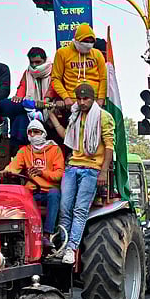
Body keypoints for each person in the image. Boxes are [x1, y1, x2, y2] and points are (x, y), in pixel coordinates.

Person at [58, 84, 115, 264]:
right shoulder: (75, 115)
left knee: (80, 210)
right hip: (73, 166)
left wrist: (103, 171)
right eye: (79, 99)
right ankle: (63, 245)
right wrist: (51, 116)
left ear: (93, 98)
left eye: (86, 99)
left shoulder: (104, 117)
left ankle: (71, 248)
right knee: (64, 208)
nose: (82, 102)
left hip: (92, 169)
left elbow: (109, 146)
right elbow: (67, 137)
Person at [0, 119, 64, 249]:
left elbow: (59, 175)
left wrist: (42, 173)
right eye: (30, 132)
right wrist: (4, 171)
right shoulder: (25, 151)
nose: (33, 135)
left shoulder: (55, 150)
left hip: (49, 192)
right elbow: (14, 166)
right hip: (32, 191)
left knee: (54, 194)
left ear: (44, 133)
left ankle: (46, 235)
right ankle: (18, 237)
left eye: (36, 132)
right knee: (17, 199)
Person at [51, 24, 107, 108]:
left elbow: (104, 78)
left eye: (91, 42)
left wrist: (101, 99)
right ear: (76, 40)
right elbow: (55, 79)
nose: (88, 44)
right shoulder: (62, 53)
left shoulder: (97, 54)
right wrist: (65, 98)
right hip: (72, 102)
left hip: (94, 102)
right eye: (85, 41)